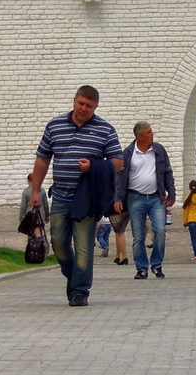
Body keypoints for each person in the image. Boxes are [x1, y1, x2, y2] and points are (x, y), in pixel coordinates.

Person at [27, 84, 124, 307]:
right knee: (58, 243)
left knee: (83, 246)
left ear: (96, 107)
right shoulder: (55, 125)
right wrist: (35, 191)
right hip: (60, 195)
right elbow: (43, 159)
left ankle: (80, 291)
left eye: (89, 106)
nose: (83, 108)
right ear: (74, 101)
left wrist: (94, 166)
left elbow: (118, 162)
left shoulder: (105, 129)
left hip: (87, 197)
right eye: (80, 103)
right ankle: (74, 278)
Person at [123, 120, 176, 279]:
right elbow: (120, 177)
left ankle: (157, 264)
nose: (152, 134)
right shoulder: (128, 153)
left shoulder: (159, 150)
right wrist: (118, 198)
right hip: (135, 197)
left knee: (160, 230)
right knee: (138, 236)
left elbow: (167, 172)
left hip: (156, 198)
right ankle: (141, 268)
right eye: (149, 132)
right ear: (140, 136)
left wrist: (171, 193)